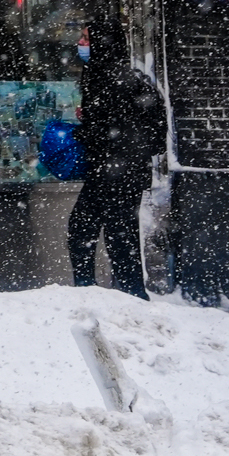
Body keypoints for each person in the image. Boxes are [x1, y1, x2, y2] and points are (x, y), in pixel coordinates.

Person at [67, 29, 168, 298]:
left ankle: (96, 293)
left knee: (90, 231)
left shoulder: (108, 79)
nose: (80, 43)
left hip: (114, 172)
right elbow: (150, 130)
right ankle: (125, 294)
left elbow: (110, 128)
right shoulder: (123, 77)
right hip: (120, 171)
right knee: (115, 236)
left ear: (103, 42)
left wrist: (84, 130)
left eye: (88, 38)